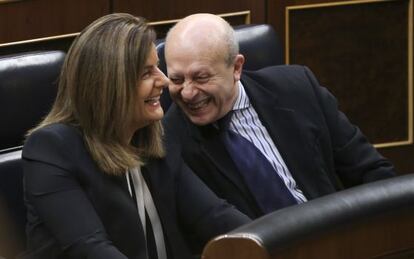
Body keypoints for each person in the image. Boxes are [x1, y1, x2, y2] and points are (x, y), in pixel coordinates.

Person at [20, 13, 250, 259]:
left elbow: (214, 215)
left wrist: (268, 243)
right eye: (146, 73)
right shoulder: (51, 149)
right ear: (110, 86)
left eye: (157, 67)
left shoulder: (156, 137)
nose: (163, 80)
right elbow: (91, 248)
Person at [163, 13, 396, 219]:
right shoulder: (169, 140)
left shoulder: (298, 90)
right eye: (176, 80)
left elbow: (373, 173)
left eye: (201, 77)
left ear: (236, 68)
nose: (188, 92)